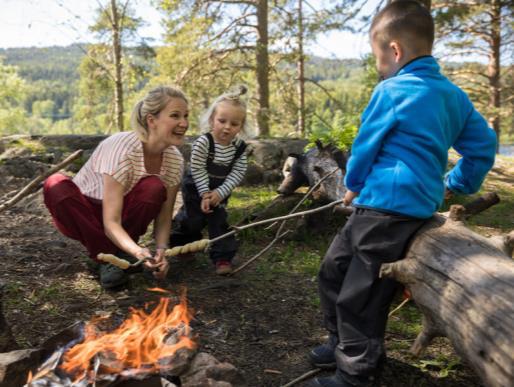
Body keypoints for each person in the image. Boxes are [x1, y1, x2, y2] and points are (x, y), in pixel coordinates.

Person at [307, 2, 497, 386]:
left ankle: (356, 374)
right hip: (397, 210)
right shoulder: (453, 96)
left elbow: (364, 145)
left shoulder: (392, 90)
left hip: (383, 210)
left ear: (394, 51)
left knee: (360, 296)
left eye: (378, 59)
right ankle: (339, 340)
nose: (380, 68)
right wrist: (456, 183)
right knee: (333, 269)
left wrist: (353, 185)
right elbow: (483, 147)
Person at [43, 86, 189, 289]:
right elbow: (110, 222)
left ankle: (118, 255)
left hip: (124, 216)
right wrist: (138, 252)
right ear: (151, 120)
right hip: (85, 213)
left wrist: (161, 252)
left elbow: (164, 217)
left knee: (153, 186)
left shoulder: (175, 160)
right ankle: (108, 259)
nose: (184, 123)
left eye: (186, 116)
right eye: (175, 116)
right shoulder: (123, 149)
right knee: (55, 184)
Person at [170, 86, 249, 275]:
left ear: (241, 126)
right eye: (222, 121)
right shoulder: (204, 142)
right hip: (196, 186)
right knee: (192, 219)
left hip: (220, 189)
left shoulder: (239, 147)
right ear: (212, 119)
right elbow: (197, 168)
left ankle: (222, 257)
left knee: (219, 220)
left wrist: (220, 193)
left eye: (235, 124)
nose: (227, 127)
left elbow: (238, 172)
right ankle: (184, 245)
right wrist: (205, 193)